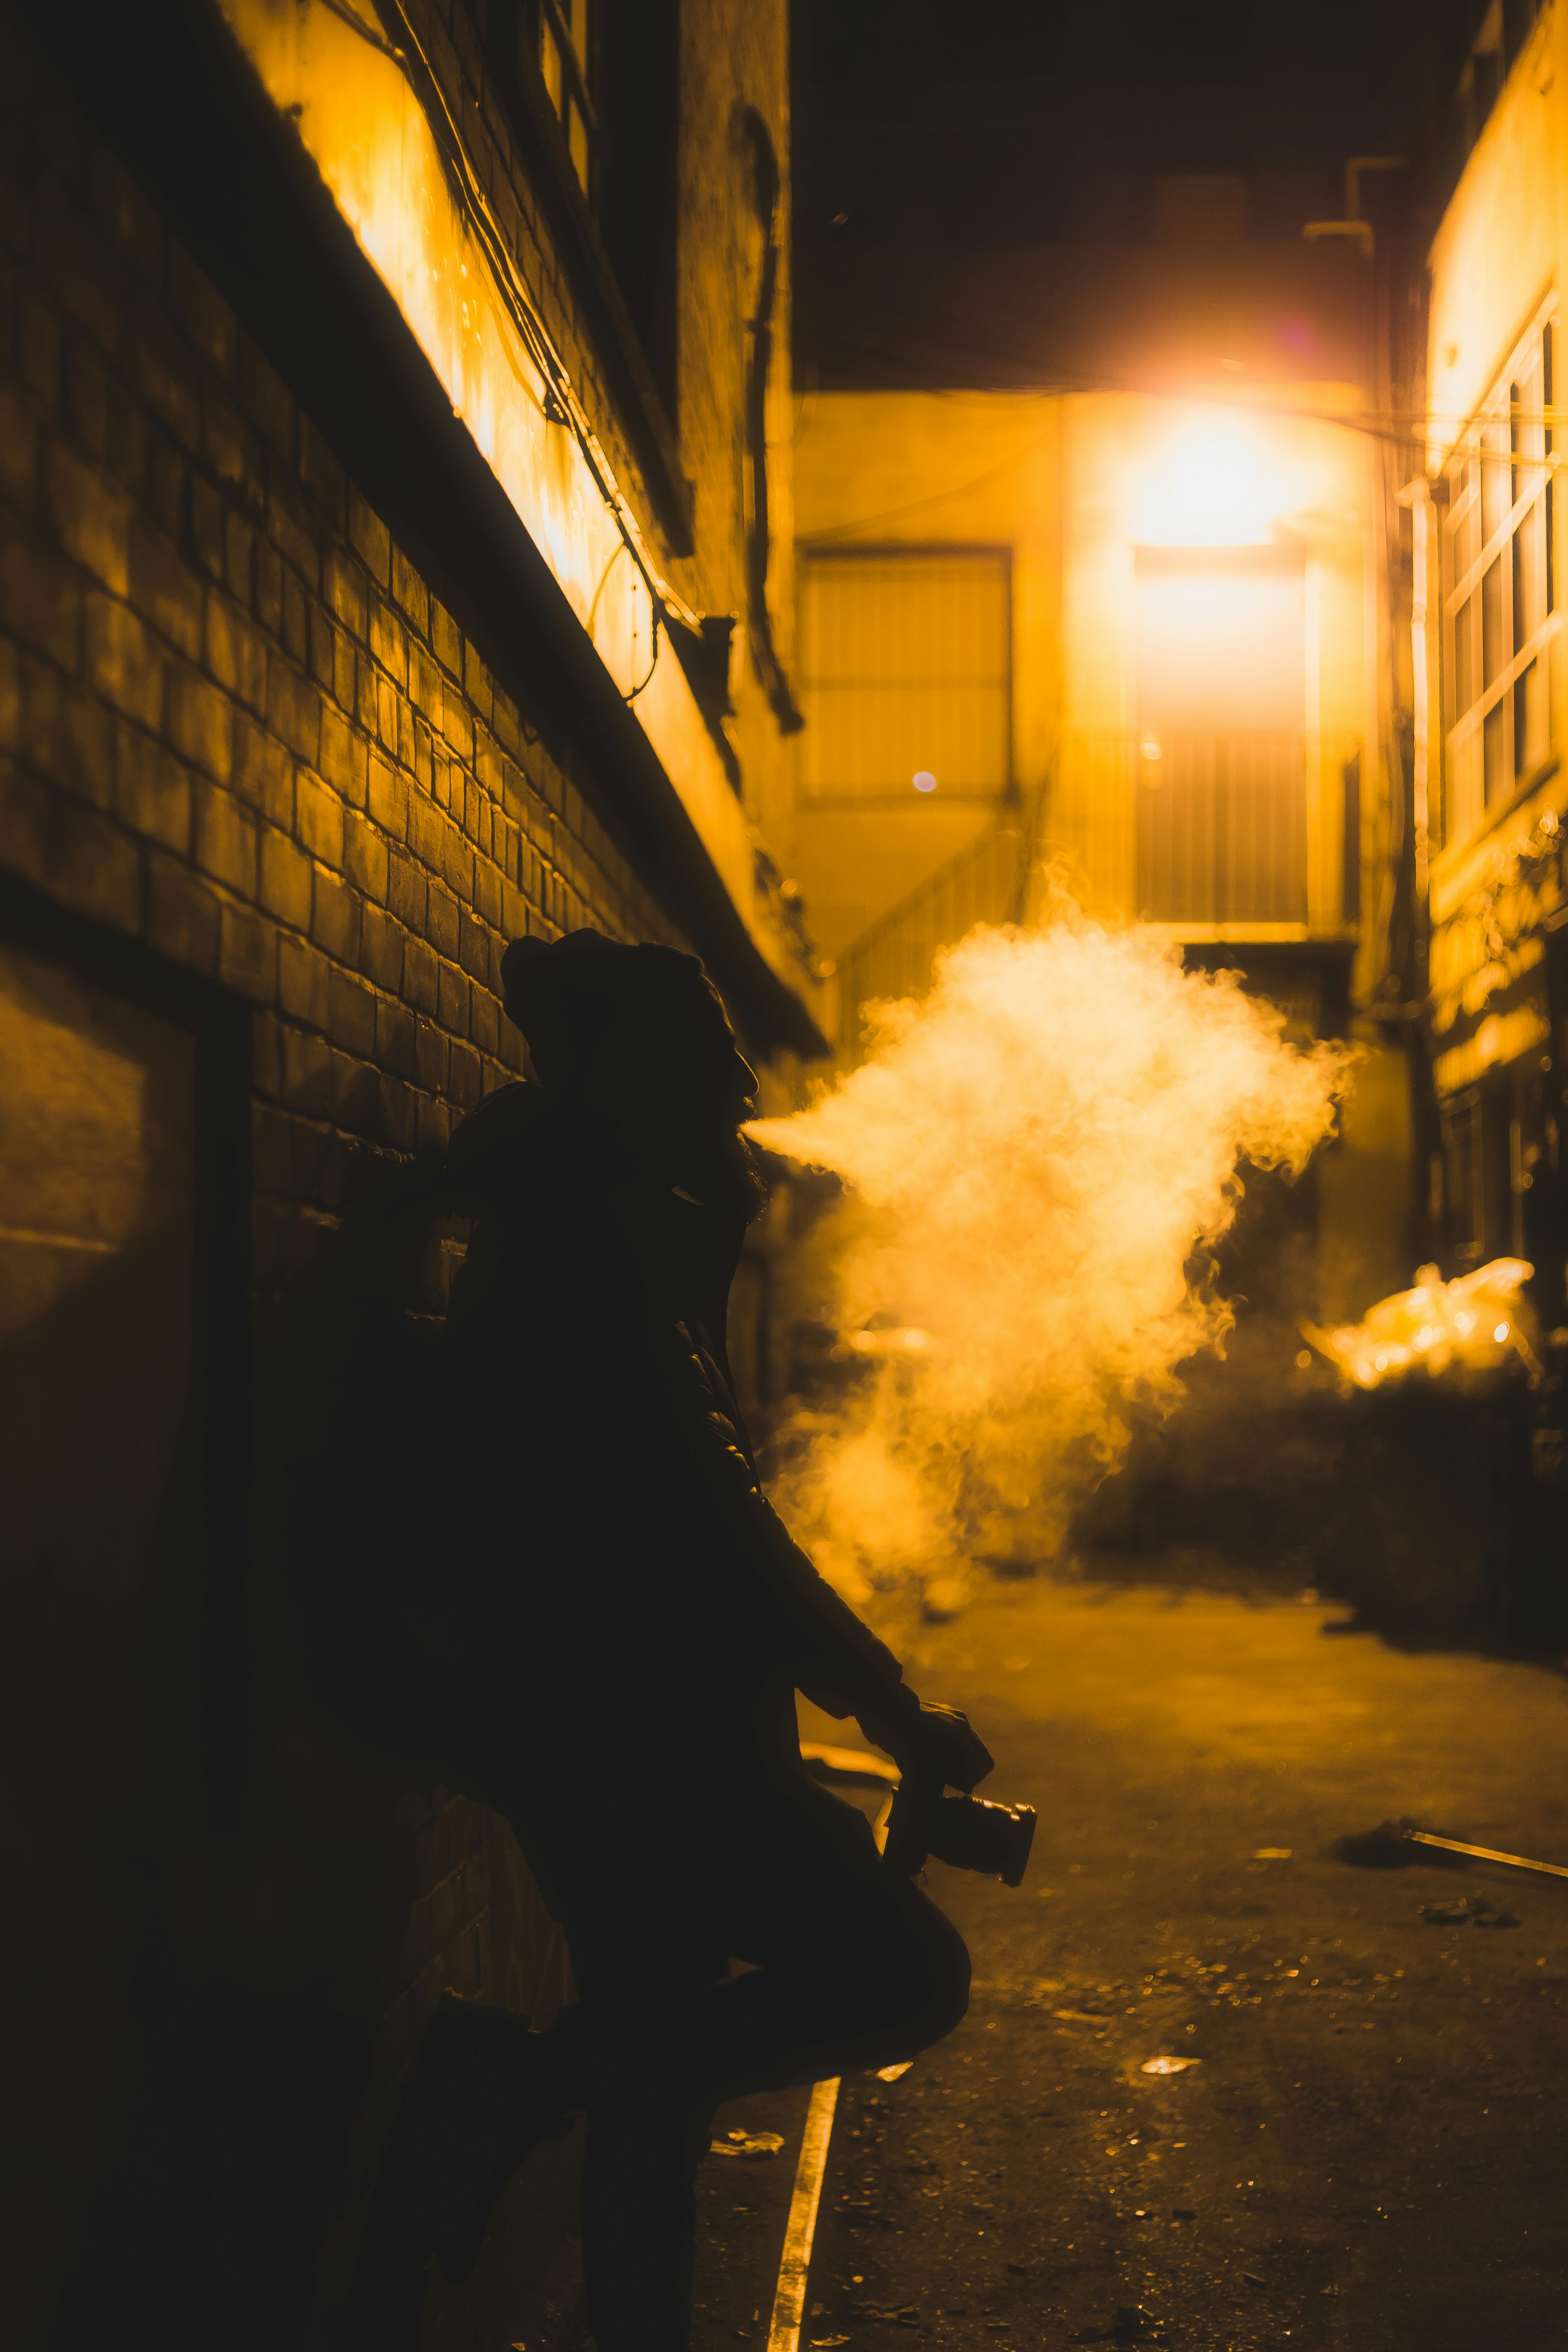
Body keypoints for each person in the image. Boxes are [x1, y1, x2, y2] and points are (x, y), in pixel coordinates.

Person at [345, 929, 992, 2351]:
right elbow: (716, 1523)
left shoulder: (609, 1232)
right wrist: (887, 1705)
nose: (746, 1086)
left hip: (610, 1727)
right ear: (631, 1077)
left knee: (657, 2069)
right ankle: (511, 2088)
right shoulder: (591, 1255)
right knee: (900, 1975)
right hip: (635, 1741)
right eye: (713, 1057)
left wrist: (724, 1226)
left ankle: (553, 2150)